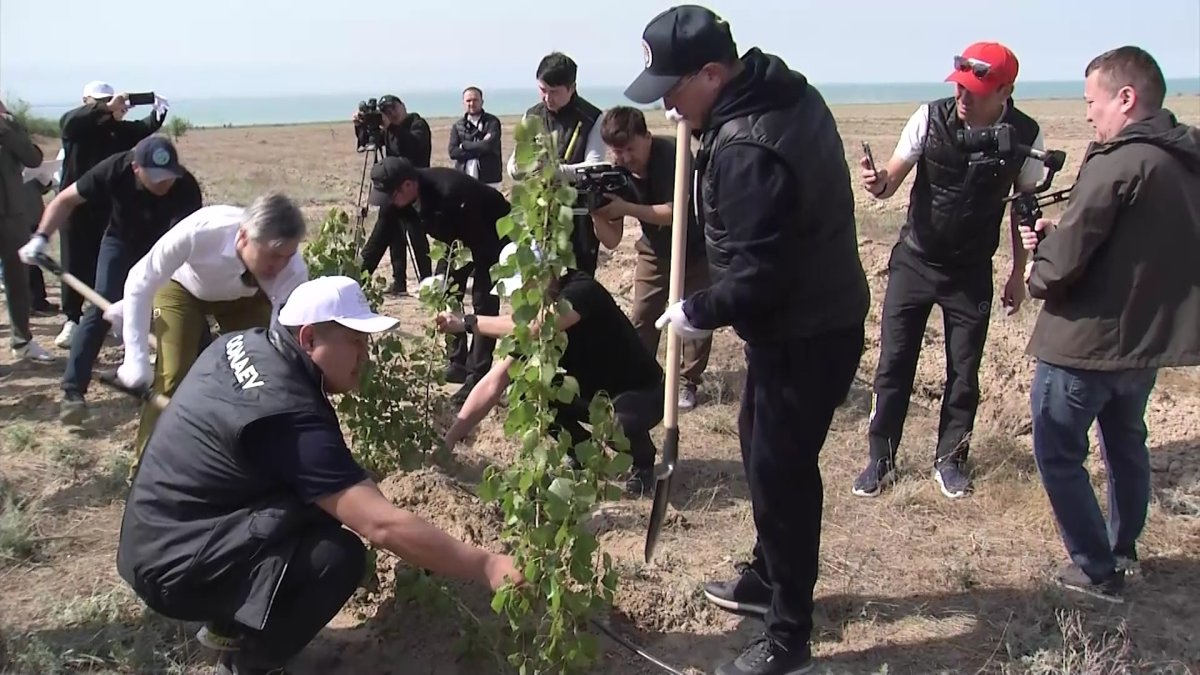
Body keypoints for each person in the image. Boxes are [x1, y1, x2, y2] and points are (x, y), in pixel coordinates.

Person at [115, 275, 522, 675]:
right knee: (336, 558)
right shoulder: (287, 412)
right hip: (173, 570)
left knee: (316, 504)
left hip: (154, 537)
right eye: (355, 342)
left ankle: (227, 623)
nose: (365, 356)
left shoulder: (240, 344)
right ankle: (249, 663)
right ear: (308, 338)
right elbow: (381, 525)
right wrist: (486, 565)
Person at [626, 6, 869, 674]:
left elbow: (763, 275)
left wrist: (700, 309)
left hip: (806, 328)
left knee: (782, 473)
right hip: (801, 318)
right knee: (756, 438)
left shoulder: (747, 148)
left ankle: (789, 634)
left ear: (712, 72)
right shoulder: (780, 92)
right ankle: (767, 573)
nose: (668, 108)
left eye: (674, 90)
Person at [1019, 46, 1200, 603]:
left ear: (1126, 97)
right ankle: (1122, 549)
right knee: (1126, 446)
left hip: (1086, 342)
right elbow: (1132, 243)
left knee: (1058, 452)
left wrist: (1038, 265)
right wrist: (1062, 233)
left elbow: (1066, 260)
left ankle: (1095, 569)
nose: (1088, 115)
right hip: (1143, 343)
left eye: (1092, 102)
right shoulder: (1182, 159)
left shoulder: (1118, 160)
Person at [854, 41, 1047, 500]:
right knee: (893, 364)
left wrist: (1017, 273)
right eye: (958, 86)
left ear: (1004, 92)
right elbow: (891, 181)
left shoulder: (1026, 136)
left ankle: (951, 460)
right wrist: (878, 183)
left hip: (970, 272)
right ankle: (881, 459)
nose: (962, 96)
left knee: (964, 372)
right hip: (915, 261)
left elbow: (1022, 211)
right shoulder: (929, 118)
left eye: (973, 91)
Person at [438, 242, 665, 495]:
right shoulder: (535, 313)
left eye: (526, 285)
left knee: (616, 423)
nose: (522, 295)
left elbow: (538, 327)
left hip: (641, 392)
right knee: (532, 394)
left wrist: (468, 322)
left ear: (547, 272)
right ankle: (584, 454)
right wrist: (450, 439)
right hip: (593, 398)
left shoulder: (581, 290)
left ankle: (643, 463)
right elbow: (494, 382)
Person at [113, 193, 310, 465]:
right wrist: (135, 358)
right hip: (183, 289)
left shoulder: (291, 270)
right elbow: (140, 280)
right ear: (244, 236)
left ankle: (245, 463)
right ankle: (143, 468)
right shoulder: (201, 231)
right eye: (273, 255)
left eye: (287, 256)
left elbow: (283, 335)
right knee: (173, 375)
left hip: (244, 299)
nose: (280, 266)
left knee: (259, 377)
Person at [19, 135, 203, 424]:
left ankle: (202, 389)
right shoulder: (115, 168)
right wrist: (41, 237)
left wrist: (144, 298)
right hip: (121, 242)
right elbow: (65, 200)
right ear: (136, 168)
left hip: (165, 249)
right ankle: (72, 392)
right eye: (156, 178)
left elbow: (185, 245)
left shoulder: (185, 187)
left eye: (168, 176)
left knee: (184, 313)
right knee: (101, 308)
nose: (164, 184)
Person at [590, 105, 712, 411]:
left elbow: (675, 212)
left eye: (630, 149)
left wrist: (626, 208)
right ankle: (642, 379)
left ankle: (687, 381)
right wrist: (597, 212)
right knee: (643, 315)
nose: (624, 157)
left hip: (696, 248)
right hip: (654, 252)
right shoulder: (616, 173)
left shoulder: (672, 155)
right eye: (617, 151)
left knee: (695, 319)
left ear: (646, 136)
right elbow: (612, 239)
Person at [367, 156, 510, 404]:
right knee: (447, 293)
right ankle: (457, 362)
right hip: (457, 238)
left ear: (408, 185)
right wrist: (352, 281)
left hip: (491, 231)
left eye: (390, 195)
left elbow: (477, 243)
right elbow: (377, 243)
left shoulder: (449, 192)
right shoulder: (397, 200)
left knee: (482, 300)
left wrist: (448, 272)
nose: (388, 201)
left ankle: (477, 376)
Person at [55, 80, 166, 349]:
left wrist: (159, 110)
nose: (106, 105)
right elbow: (68, 122)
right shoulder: (76, 128)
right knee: (74, 261)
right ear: (86, 101)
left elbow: (144, 128)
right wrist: (105, 109)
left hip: (109, 208)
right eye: (99, 101)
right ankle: (72, 319)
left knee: (108, 265)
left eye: (108, 100)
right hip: (76, 206)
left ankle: (108, 317)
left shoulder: (118, 131)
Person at [507, 52, 607, 276]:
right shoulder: (531, 115)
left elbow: (594, 167)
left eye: (554, 92)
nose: (547, 98)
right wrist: (519, 168)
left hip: (577, 216)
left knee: (576, 281)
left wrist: (556, 172)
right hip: (538, 213)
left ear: (572, 88)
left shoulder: (592, 117)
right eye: (542, 90)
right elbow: (515, 162)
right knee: (537, 279)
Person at [356, 94, 434, 295]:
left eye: (394, 108)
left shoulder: (417, 124)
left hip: (413, 188)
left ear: (403, 106)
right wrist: (362, 126)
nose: (391, 113)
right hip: (392, 190)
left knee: (417, 237)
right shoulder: (389, 129)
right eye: (386, 111)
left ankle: (427, 283)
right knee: (387, 235)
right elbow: (368, 143)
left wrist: (391, 127)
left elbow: (412, 147)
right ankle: (388, 280)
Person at [0, 97, 55, 363]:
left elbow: (33, 158)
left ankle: (22, 340)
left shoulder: (7, 125)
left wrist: (6, 127)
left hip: (11, 212)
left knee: (18, 278)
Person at [449, 86, 504, 190]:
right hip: (464, 180)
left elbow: (489, 145)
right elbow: (453, 152)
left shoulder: (492, 122)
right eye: (468, 100)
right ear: (463, 103)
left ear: (482, 102)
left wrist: (464, 146)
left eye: (475, 100)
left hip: (489, 180)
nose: (472, 103)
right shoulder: (458, 126)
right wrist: (480, 148)